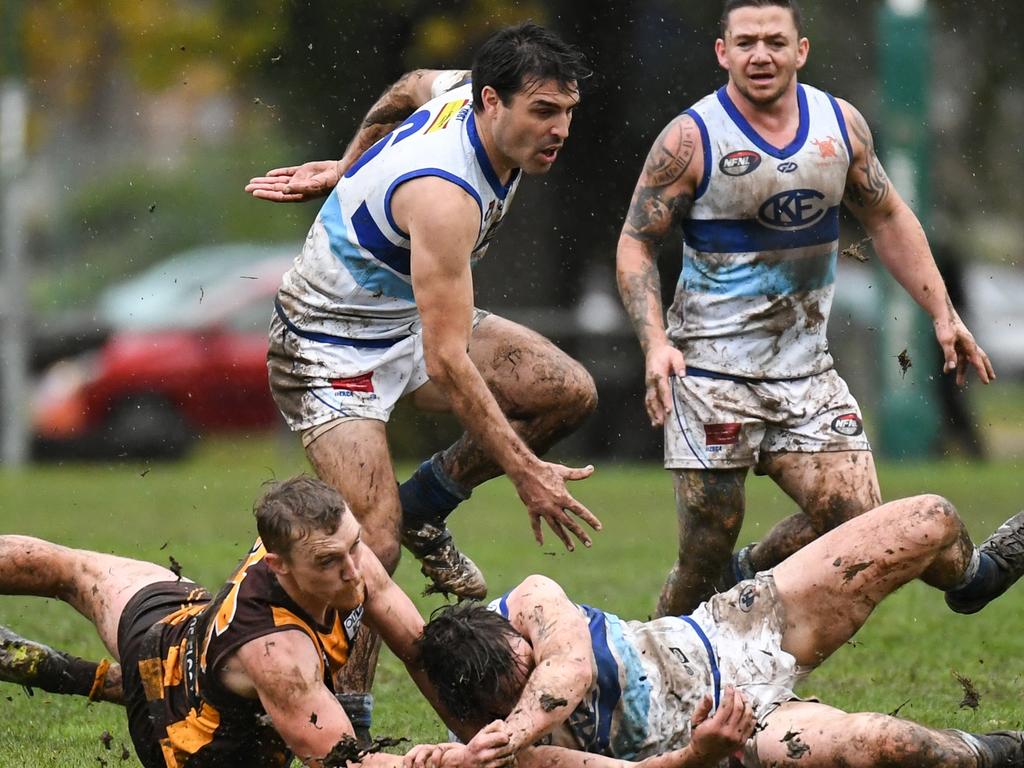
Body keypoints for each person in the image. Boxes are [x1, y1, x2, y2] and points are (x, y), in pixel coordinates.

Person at [245, 25, 601, 731]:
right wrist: (523, 470)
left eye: (567, 111)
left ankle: (428, 504)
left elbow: (409, 83)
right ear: (492, 102)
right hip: (329, 351)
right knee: (370, 546)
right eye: (543, 112)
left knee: (568, 393)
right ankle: (349, 726)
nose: (558, 129)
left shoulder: (459, 91)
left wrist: (346, 166)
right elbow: (448, 362)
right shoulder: (445, 193)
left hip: (404, 322)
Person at [614, 0, 996, 617]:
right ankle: (654, 667)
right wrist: (656, 343)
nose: (759, 55)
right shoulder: (690, 139)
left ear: (801, 50)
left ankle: (751, 575)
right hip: (711, 377)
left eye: (774, 41)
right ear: (723, 53)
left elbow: (888, 216)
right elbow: (636, 243)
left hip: (806, 372)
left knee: (855, 518)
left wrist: (943, 314)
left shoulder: (839, 126)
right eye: (744, 43)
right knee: (705, 551)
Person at [412, 497, 1024, 768]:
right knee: (890, 746)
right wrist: (701, 752)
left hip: (731, 630)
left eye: (526, 661)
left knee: (929, 520)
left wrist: (509, 731)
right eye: (510, 692)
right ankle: (1005, 748)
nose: (529, 680)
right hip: (732, 733)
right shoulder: (506, 756)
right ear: (477, 706)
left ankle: (979, 577)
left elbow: (566, 668)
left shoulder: (526, 601)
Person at [0, 475, 449, 768]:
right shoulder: (277, 656)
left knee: (77, 570)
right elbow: (346, 761)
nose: (355, 571)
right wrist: (445, 760)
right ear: (277, 565)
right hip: (191, 738)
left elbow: (419, 651)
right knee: (71, 573)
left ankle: (56, 669)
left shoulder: (327, 543)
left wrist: (490, 736)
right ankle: (84, 675)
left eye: (354, 545)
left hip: (191, 629)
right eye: (330, 561)